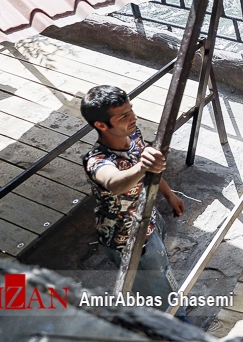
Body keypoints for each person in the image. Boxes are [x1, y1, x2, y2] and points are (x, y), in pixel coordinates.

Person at [80, 85, 185, 315]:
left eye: (131, 110)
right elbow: (115, 182)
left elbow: (151, 169)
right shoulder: (96, 160)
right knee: (162, 294)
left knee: (155, 278)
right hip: (127, 240)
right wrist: (142, 165)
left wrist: (169, 194)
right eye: (124, 115)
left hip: (149, 220)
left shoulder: (133, 135)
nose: (133, 118)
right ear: (101, 125)